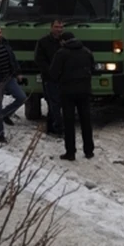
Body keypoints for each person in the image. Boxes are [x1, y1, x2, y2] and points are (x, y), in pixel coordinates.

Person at [50, 31, 95, 161]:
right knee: (86, 121)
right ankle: (89, 151)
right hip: (84, 91)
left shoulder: (61, 53)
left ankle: (70, 152)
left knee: (69, 123)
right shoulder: (86, 51)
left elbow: (53, 73)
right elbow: (93, 68)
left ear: (63, 41)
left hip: (67, 92)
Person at [34, 19, 64, 137]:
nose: (59, 29)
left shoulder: (65, 41)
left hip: (62, 78)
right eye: (56, 27)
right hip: (49, 78)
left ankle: (51, 127)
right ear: (51, 27)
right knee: (53, 102)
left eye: (61, 27)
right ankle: (57, 128)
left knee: (55, 103)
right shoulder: (43, 42)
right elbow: (39, 59)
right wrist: (50, 72)